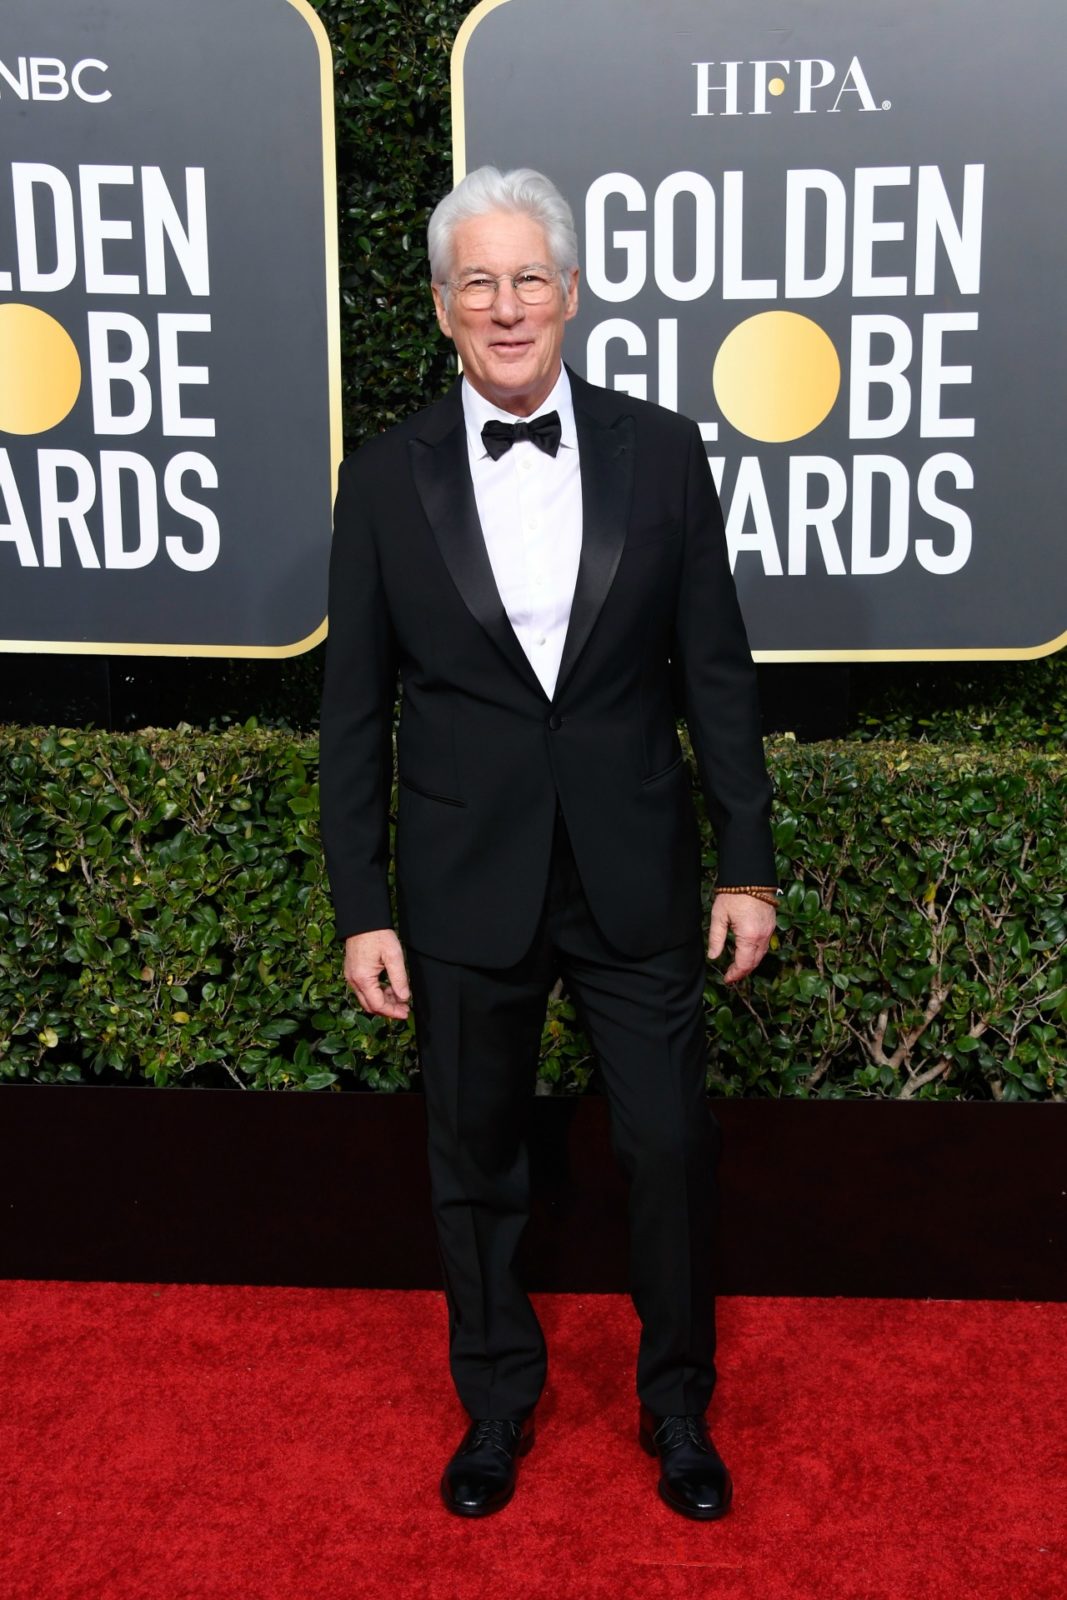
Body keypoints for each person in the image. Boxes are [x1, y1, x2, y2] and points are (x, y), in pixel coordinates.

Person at [319, 166, 777, 1521]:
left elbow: (719, 673)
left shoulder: (663, 449)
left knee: (671, 1148)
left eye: (530, 278)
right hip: (463, 885)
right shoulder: (386, 477)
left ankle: (677, 1409)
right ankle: (496, 1406)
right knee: (473, 1163)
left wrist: (745, 863)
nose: (506, 305)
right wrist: (363, 903)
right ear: (444, 308)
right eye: (478, 281)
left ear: (569, 295)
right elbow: (354, 714)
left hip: (635, 867)